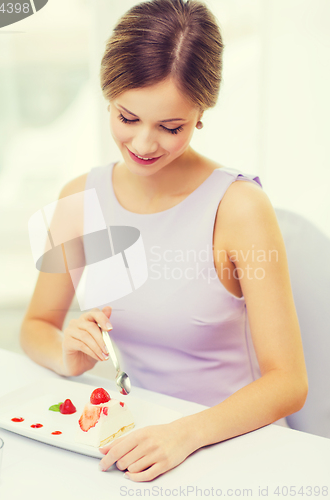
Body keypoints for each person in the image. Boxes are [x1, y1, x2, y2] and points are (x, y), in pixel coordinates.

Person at [20, 0, 308, 482]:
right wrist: (67, 352)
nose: (144, 145)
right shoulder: (80, 198)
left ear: (201, 113)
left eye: (170, 127)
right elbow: (36, 324)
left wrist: (185, 433)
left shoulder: (238, 208)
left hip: (232, 445)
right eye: (127, 118)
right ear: (107, 98)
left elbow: (289, 382)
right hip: (139, 440)